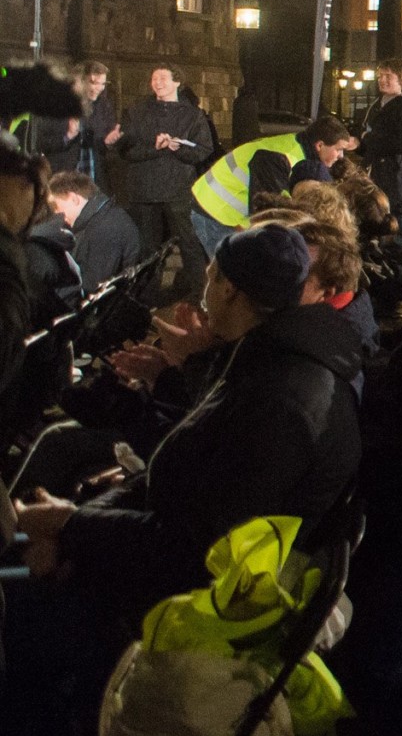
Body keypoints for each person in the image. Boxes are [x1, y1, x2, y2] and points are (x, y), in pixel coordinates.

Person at [13, 223, 362, 626]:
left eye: (210, 276)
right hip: (161, 574)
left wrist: (70, 526)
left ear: (229, 289)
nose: (203, 290)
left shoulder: (281, 401)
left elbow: (195, 549)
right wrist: (77, 523)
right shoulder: (264, 362)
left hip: (185, 612)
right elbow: (181, 481)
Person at [188, 115, 355, 263]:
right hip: (214, 212)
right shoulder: (280, 158)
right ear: (320, 145)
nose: (341, 156)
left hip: (222, 210)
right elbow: (267, 211)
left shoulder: (298, 152)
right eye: (338, 150)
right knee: (232, 277)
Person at [113, 63, 217, 294]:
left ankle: (199, 294)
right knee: (147, 248)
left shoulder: (192, 115)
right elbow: (126, 150)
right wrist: (156, 148)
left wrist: (177, 148)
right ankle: (146, 296)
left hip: (178, 190)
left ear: (177, 82)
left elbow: (204, 150)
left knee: (189, 243)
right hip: (144, 191)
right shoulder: (137, 112)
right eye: (154, 79)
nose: (157, 83)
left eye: (163, 78)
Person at [23, 59, 112, 182]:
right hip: (63, 179)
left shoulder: (101, 106)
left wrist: (107, 142)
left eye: (103, 84)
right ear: (79, 81)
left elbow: (99, 141)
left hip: (92, 179)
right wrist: (67, 137)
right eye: (94, 83)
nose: (100, 88)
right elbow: (39, 143)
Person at [46, 171, 141, 286]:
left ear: (74, 198)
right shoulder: (102, 217)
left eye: (56, 206)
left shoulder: (104, 228)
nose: (56, 213)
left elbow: (93, 284)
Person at [360, 59, 402, 224]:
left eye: (388, 76)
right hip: (374, 184)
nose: (382, 80)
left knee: (392, 231)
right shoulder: (376, 106)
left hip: (395, 188)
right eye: (380, 76)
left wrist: (367, 138)